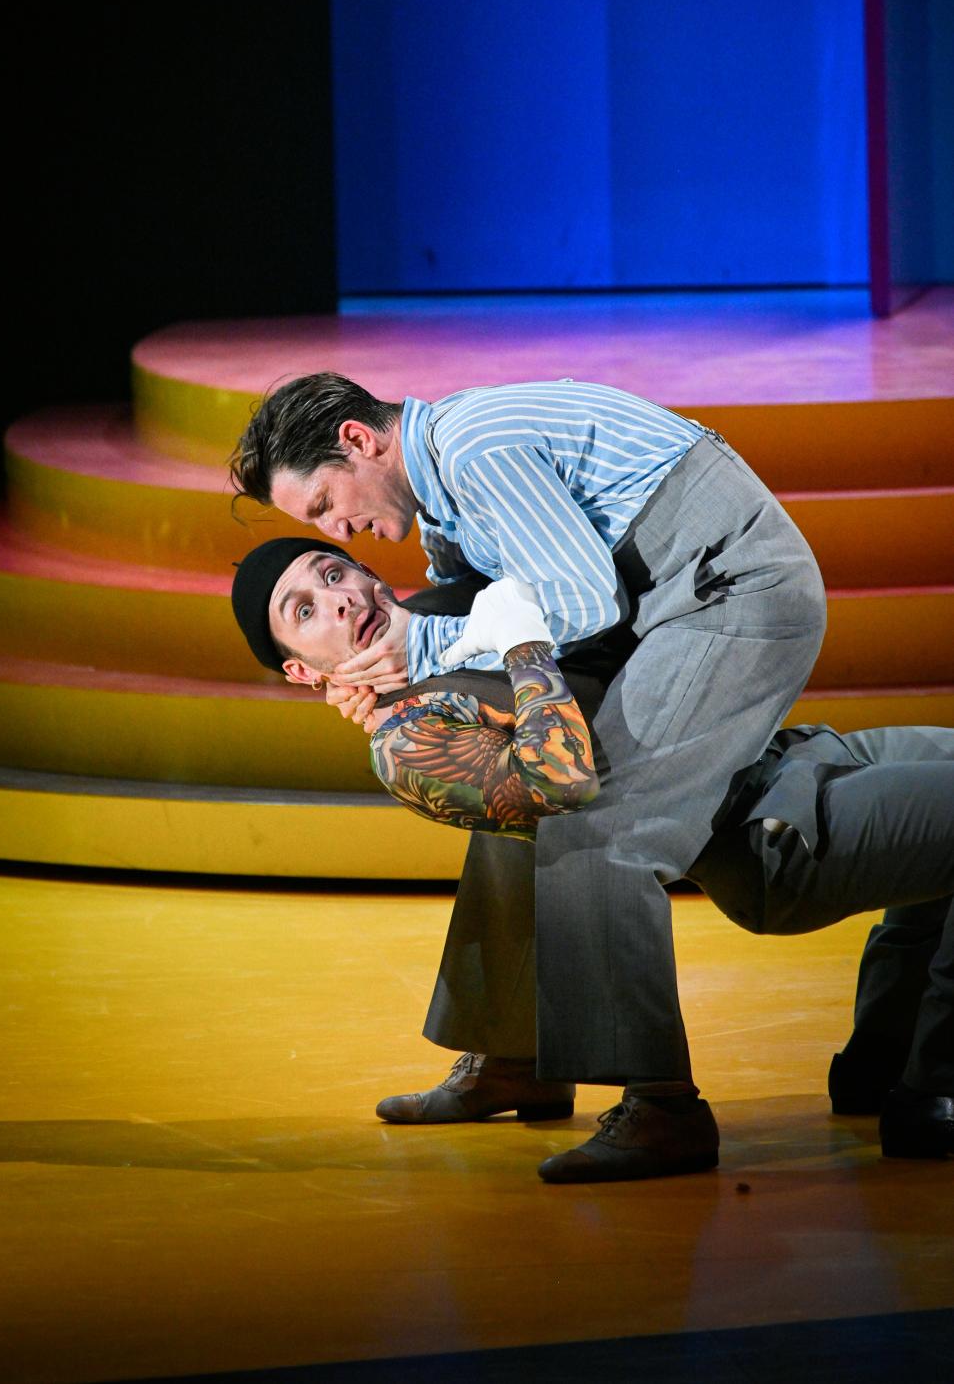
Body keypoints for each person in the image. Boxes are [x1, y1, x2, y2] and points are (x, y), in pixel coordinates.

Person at [228, 373, 830, 1179]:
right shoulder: (441, 494)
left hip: (728, 593)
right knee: (507, 778)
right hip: (654, 602)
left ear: (359, 441)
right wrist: (376, 668)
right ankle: (518, 1056)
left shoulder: (475, 449)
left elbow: (582, 601)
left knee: (596, 820)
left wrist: (420, 651)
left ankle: (664, 1106)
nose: (340, 531)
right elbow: (476, 604)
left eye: (326, 506)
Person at [230, 539, 954, 1175]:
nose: (338, 601)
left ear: (366, 572)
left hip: (793, 755)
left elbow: (493, 568)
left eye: (333, 573)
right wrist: (520, 646)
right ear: (302, 671)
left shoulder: (446, 629)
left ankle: (879, 1062)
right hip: (773, 831)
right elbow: (561, 782)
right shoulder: (408, 737)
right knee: (517, 800)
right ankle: (934, 1091)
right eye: (305, 611)